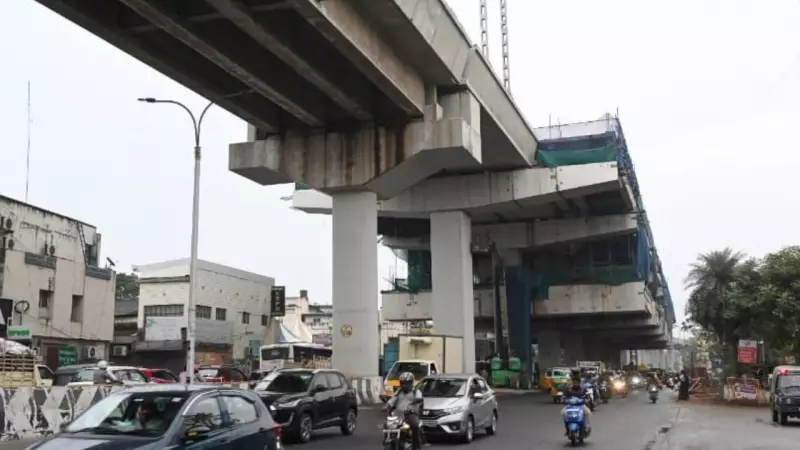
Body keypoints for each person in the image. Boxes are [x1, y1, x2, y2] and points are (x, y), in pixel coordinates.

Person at [385, 372, 423, 450]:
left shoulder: (416, 391)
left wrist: (415, 403)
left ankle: (416, 447)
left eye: (406, 383)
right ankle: (389, 440)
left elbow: (419, 399)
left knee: (415, 425)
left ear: (411, 383)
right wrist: (386, 406)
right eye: (402, 383)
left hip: (410, 415)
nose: (403, 385)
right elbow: (393, 399)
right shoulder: (399, 391)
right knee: (387, 425)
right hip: (398, 415)